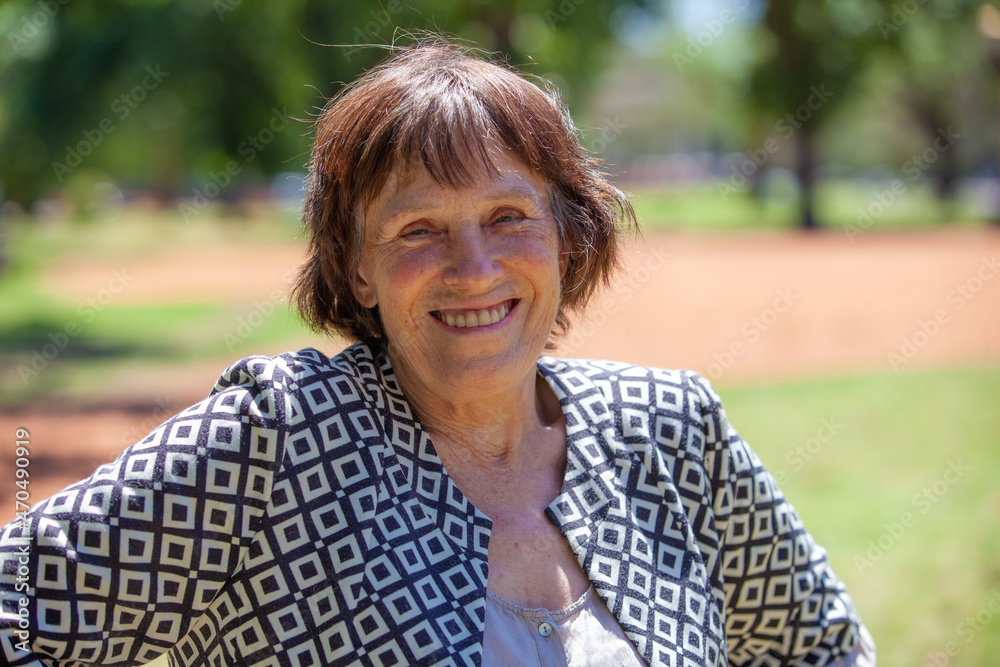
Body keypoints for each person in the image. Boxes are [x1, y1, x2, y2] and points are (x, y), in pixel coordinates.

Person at [0, 41, 875, 666]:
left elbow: (822, 646)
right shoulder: (277, 440)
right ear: (358, 267)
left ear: (568, 238)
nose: (475, 268)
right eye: (419, 228)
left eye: (508, 217)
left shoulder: (672, 428)